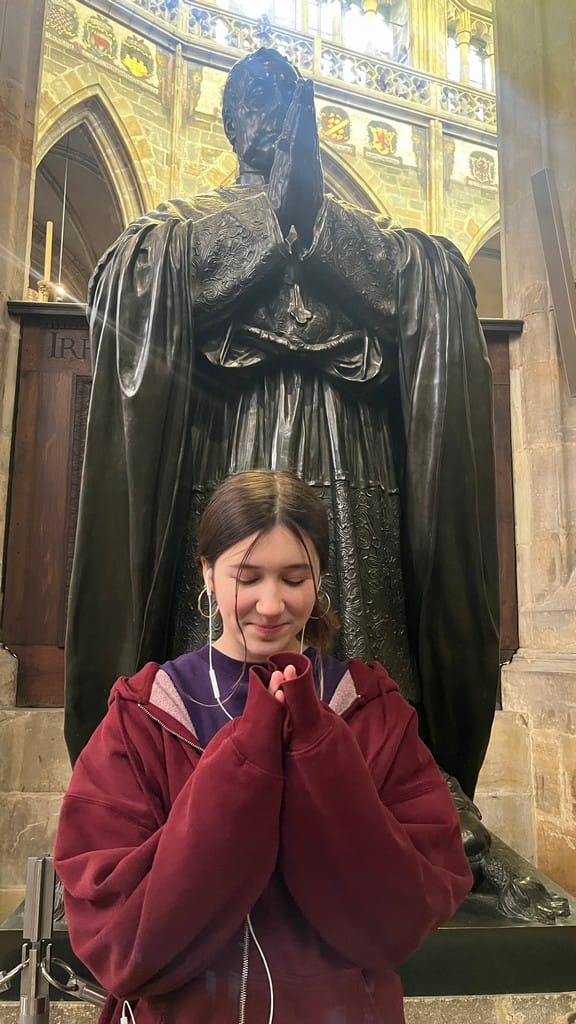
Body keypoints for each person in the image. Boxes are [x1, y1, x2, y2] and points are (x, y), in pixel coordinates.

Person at [65, 46, 500, 807]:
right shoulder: (179, 229)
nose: (270, 126)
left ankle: (388, 784)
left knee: (356, 619)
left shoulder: (369, 235)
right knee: (237, 613)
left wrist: (317, 225)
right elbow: (127, 282)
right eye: (256, 110)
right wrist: (274, 223)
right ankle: (203, 780)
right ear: (233, 127)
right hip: (227, 450)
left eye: (284, 110)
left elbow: (434, 281)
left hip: (354, 464)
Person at [55, 470, 473, 1024]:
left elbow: (406, 913)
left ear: (320, 577)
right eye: (246, 578)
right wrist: (246, 761)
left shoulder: (370, 708)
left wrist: (318, 750)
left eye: (294, 578)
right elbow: (117, 936)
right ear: (207, 572)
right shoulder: (146, 714)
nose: (271, 605)